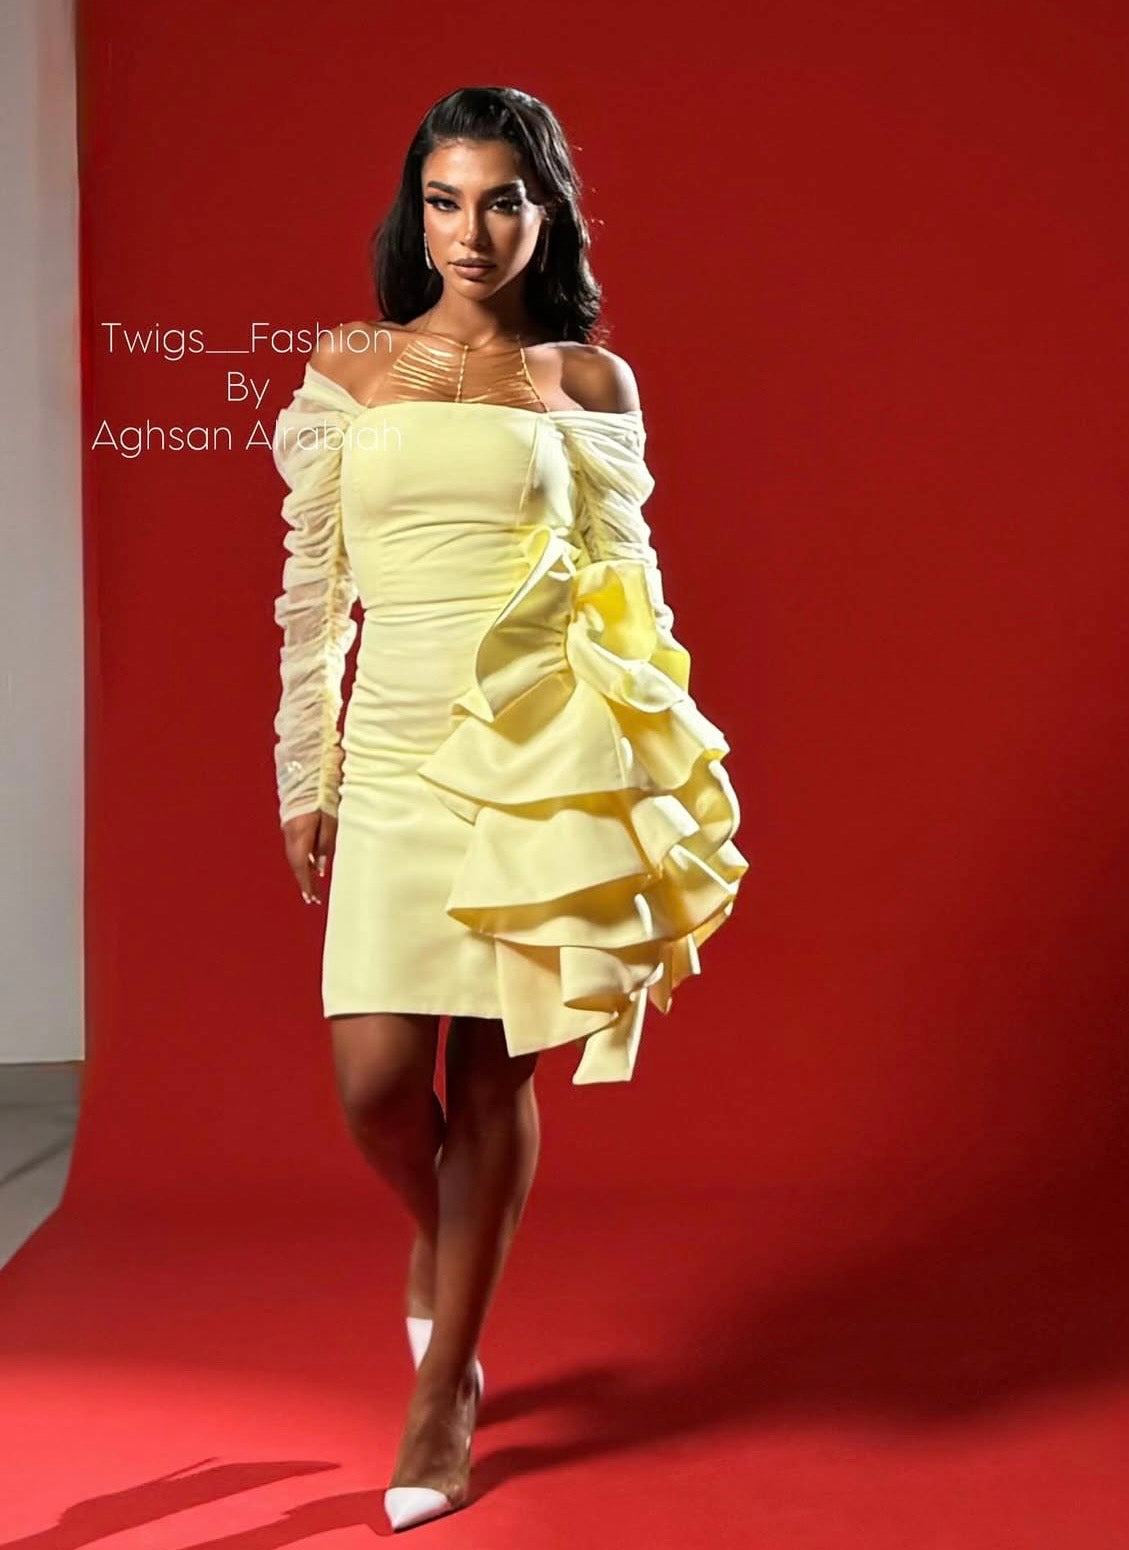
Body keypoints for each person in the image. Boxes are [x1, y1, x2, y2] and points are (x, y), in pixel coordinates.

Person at [270, 84, 749, 1531]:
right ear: (414, 213)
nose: (469, 232)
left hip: (536, 751)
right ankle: (448, 1249)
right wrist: (307, 771)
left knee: (491, 1081)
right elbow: (314, 595)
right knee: (373, 1080)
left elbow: (630, 583)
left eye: (499, 201)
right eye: (444, 200)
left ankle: (445, 1389)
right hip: (393, 749)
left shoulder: (583, 380)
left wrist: (652, 768)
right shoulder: (350, 368)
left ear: (546, 215)